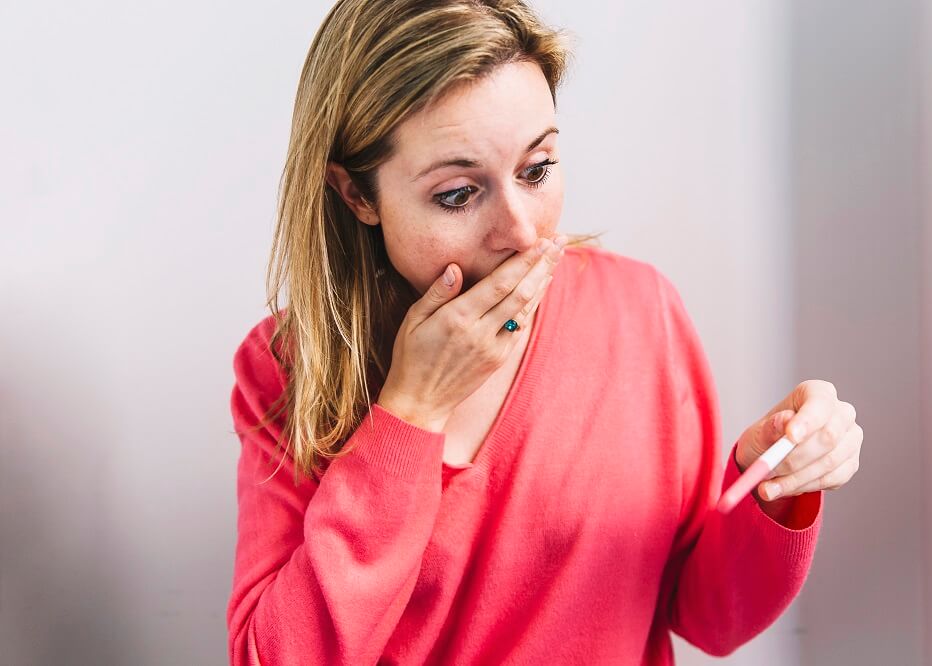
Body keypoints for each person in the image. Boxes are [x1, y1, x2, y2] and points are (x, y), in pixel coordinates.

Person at [225, 1, 864, 664]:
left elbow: (707, 616)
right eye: (457, 194)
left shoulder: (639, 311)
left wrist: (773, 479)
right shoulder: (286, 365)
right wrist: (412, 411)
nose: (523, 232)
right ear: (356, 195)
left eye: (536, 170)